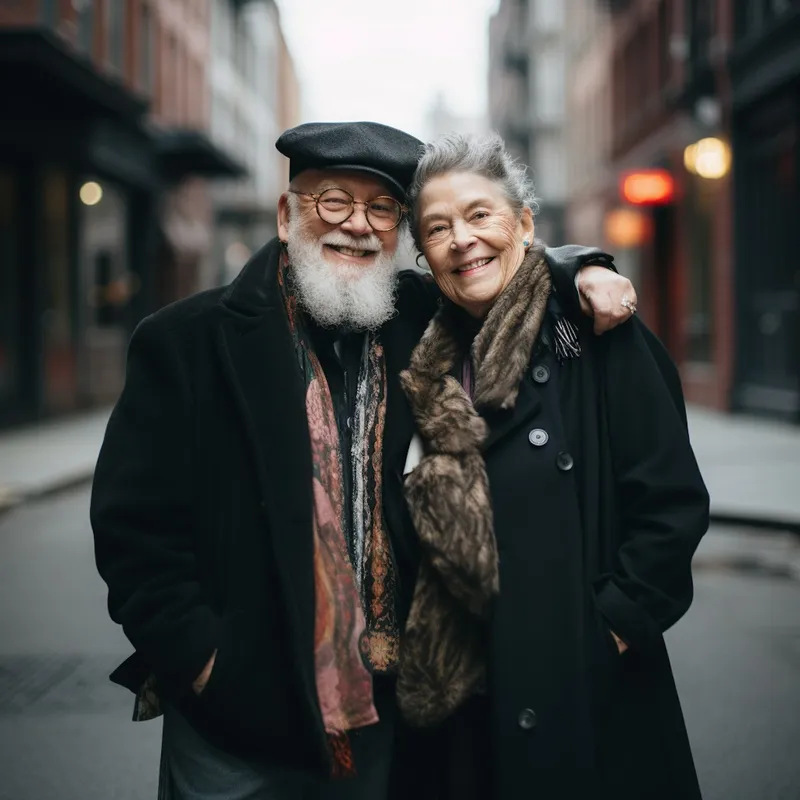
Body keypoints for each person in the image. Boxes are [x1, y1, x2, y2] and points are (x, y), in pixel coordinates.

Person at [90, 121, 637, 800]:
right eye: (333, 203)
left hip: (385, 719)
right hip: (233, 722)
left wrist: (582, 265)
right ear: (288, 214)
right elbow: (133, 532)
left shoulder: (421, 323)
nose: (358, 227)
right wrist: (206, 666)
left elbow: (495, 264)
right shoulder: (184, 342)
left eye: (381, 209)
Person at [393, 132, 710, 800]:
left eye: (480, 214)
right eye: (437, 228)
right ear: (424, 257)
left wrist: (610, 631)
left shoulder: (595, 334)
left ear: (525, 223)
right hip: (466, 697)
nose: (462, 239)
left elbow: (670, 502)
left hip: (586, 687)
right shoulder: (424, 360)